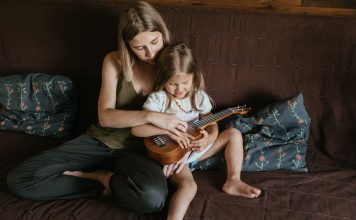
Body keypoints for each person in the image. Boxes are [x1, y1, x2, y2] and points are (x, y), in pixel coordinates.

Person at [6, 1, 189, 214]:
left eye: (155, 42)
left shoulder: (178, 64)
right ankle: (102, 183)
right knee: (20, 179)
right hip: (100, 141)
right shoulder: (114, 61)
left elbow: (201, 112)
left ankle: (107, 179)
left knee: (152, 200)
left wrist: (198, 143)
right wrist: (150, 116)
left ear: (163, 33)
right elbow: (106, 117)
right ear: (127, 45)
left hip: (141, 151)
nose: (151, 53)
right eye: (140, 47)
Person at [131, 42, 261, 220]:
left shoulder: (198, 96)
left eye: (185, 82)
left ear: (194, 76)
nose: (180, 90)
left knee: (234, 134)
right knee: (190, 187)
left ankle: (233, 180)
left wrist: (210, 138)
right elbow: (136, 130)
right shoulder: (158, 100)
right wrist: (169, 132)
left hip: (196, 150)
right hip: (172, 155)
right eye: (172, 84)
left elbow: (211, 121)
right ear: (162, 79)